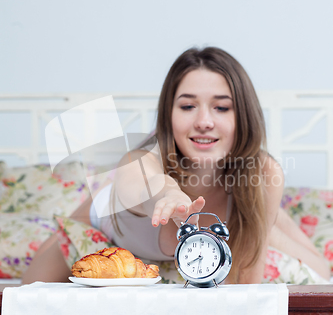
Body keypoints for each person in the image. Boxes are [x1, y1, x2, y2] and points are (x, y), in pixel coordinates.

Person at [22, 47, 330, 284]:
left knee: (317, 265)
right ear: (169, 114)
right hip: (104, 216)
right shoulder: (140, 162)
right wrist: (169, 195)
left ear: (243, 116)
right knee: (25, 297)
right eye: (187, 106)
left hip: (243, 191)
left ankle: (269, 222)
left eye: (221, 107)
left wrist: (258, 226)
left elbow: (251, 288)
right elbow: (149, 185)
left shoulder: (263, 173)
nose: (204, 122)